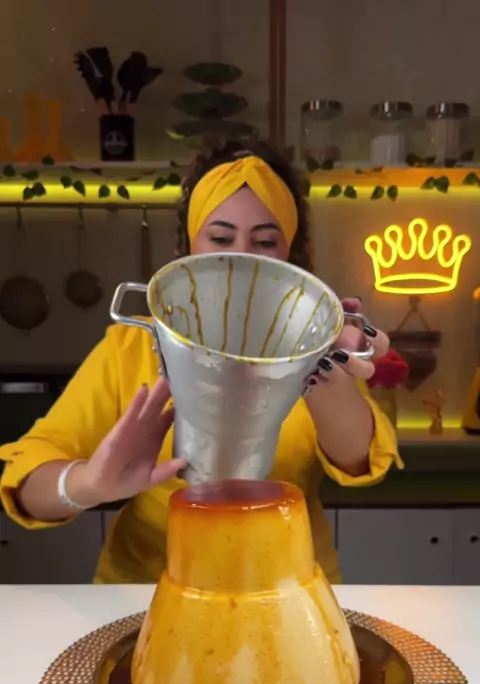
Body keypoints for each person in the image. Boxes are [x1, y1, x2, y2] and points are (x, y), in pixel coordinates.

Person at [0, 139, 402, 585]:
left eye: (265, 241)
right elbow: (27, 482)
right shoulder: (131, 345)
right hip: (147, 592)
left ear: (288, 252)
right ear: (191, 246)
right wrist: (86, 484)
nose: (240, 257)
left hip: (285, 590)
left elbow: (358, 463)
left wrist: (321, 366)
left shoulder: (312, 335)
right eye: (221, 238)